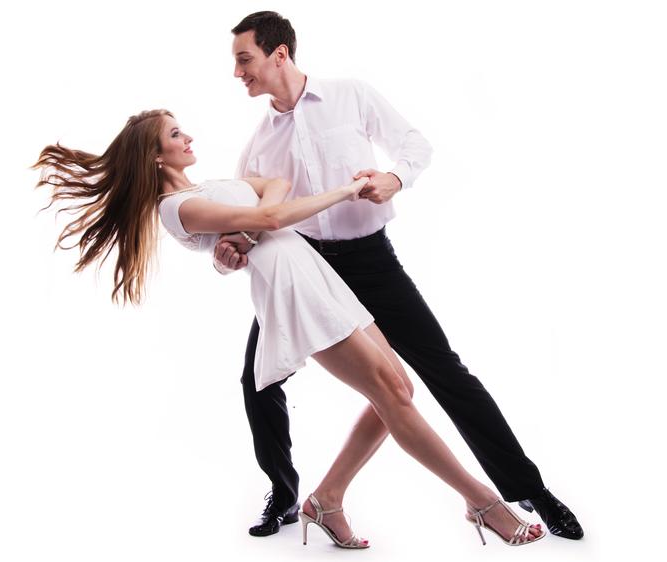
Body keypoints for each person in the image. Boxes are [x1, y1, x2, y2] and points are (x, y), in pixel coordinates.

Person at [33, 109, 544, 548]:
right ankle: (481, 502)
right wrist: (340, 192)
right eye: (175, 135)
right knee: (391, 393)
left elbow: (274, 187)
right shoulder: (176, 208)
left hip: (317, 275)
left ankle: (327, 500)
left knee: (399, 389)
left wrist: (248, 228)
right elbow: (275, 215)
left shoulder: (211, 188)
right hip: (293, 291)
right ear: (154, 156)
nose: (187, 137)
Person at [216, 11, 583, 540]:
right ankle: (285, 494)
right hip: (306, 269)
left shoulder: (350, 96)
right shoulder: (256, 146)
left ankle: (531, 489)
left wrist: (394, 177)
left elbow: (415, 145)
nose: (237, 73)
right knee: (258, 378)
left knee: (444, 370)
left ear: (280, 54)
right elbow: (247, 227)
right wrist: (230, 254)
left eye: (244, 59)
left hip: (371, 260)